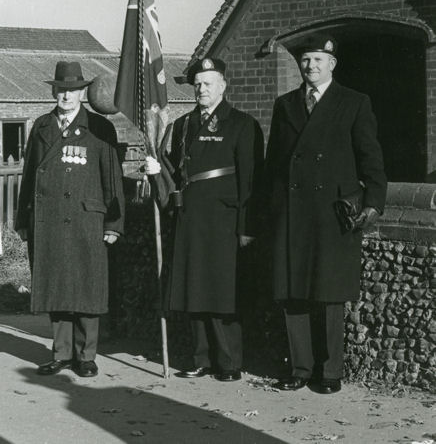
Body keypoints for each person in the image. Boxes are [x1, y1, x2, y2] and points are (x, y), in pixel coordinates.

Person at [265, 34, 386, 394]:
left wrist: (373, 204)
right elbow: (274, 165)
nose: (310, 66)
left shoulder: (353, 102)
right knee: (293, 292)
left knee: (329, 294)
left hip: (333, 214)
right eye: (305, 60)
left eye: (318, 60)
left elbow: (371, 159)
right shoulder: (285, 104)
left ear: (332, 64)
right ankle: (300, 369)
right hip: (292, 213)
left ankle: (330, 371)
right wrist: (270, 212)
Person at [145, 57, 263, 381]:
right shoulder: (183, 125)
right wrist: (156, 171)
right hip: (190, 219)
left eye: (208, 83)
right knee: (194, 289)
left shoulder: (242, 124)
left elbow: (251, 180)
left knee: (223, 293)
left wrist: (246, 227)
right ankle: (201, 359)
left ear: (223, 85)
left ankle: (229, 362)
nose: (201, 88)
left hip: (224, 220)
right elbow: (172, 172)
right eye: (197, 83)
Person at [15, 61, 124, 377]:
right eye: (61, 90)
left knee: (88, 289)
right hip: (48, 219)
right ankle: (61, 353)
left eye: (72, 90)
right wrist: (24, 219)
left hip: (86, 219)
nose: (66, 96)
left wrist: (114, 224)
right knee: (56, 288)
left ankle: (86, 355)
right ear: (54, 90)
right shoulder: (41, 126)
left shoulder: (100, 128)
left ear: (82, 92)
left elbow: (112, 179)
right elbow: (29, 176)